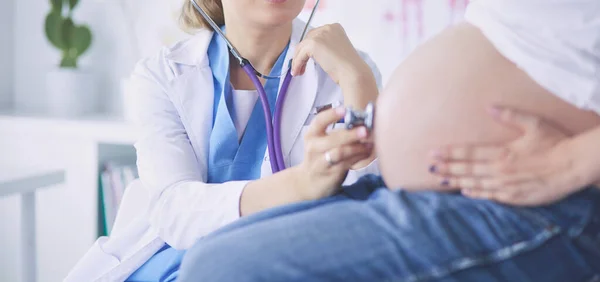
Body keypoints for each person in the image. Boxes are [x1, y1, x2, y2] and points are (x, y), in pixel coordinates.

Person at [175, 0, 600, 281]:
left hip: (543, 198)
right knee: (206, 260)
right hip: (449, 189)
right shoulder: (166, 72)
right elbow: (172, 206)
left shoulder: (332, 57)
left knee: (220, 269)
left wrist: (571, 162)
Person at [64, 0, 382, 281]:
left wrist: (358, 79)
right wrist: (301, 185)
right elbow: (174, 210)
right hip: (179, 256)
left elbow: (372, 218)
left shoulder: (349, 68)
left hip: (288, 259)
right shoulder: (161, 75)